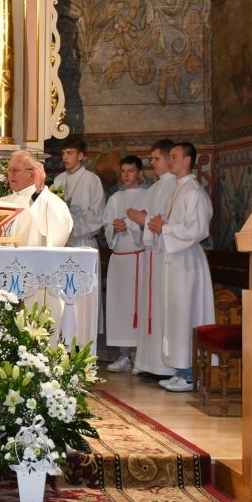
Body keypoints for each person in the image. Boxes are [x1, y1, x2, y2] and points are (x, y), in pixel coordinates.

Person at [145, 142, 215, 393]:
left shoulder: (193, 191)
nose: (170, 160)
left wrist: (163, 228)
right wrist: (158, 226)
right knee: (175, 315)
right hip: (174, 261)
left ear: (187, 160)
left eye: (174, 156)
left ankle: (190, 373)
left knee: (186, 314)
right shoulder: (177, 189)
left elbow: (198, 229)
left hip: (187, 262)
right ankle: (180, 370)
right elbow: (171, 225)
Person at [131, 140, 179, 378]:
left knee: (161, 309)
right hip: (152, 255)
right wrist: (140, 222)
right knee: (149, 306)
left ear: (170, 159)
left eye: (156, 158)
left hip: (167, 257)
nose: (152, 163)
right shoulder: (153, 189)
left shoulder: (176, 187)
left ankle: (163, 365)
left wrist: (145, 221)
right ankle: (148, 362)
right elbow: (148, 220)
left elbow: (170, 223)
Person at [101, 155, 150, 374]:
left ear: (140, 172)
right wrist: (114, 227)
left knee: (138, 307)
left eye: (131, 171)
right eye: (123, 171)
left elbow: (150, 223)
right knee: (119, 307)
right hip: (119, 260)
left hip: (138, 259)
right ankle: (123, 355)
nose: (126, 175)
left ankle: (141, 357)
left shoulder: (148, 195)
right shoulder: (115, 198)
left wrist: (135, 225)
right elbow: (106, 226)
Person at [3, 149, 72, 247]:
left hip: (31, 256)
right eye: (9, 170)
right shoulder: (2, 202)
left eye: (16, 170)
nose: (11, 175)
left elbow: (60, 230)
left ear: (33, 174)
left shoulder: (48, 201)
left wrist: (39, 192)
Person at [53, 139, 105, 250]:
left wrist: (73, 225)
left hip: (83, 242)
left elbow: (98, 213)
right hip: (61, 243)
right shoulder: (58, 180)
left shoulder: (91, 179)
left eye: (69, 153)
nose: (64, 157)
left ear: (80, 156)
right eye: (63, 153)